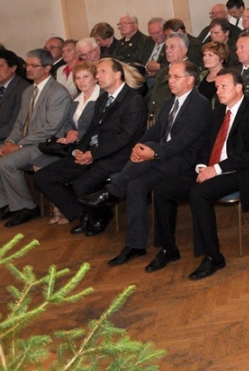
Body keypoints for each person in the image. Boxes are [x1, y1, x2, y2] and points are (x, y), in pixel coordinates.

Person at [79, 60, 213, 266]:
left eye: (176, 77)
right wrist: (139, 146)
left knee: (148, 152)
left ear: (190, 80)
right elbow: (155, 130)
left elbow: (184, 141)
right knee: (135, 185)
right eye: (169, 76)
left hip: (185, 160)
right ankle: (136, 245)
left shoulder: (200, 104)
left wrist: (153, 152)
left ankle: (111, 192)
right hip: (163, 158)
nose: (171, 81)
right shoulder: (169, 102)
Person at [148, 67, 249, 279]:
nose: (219, 91)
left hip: (242, 171)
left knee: (200, 194)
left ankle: (213, 256)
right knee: (162, 189)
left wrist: (216, 169)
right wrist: (201, 166)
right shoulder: (218, 111)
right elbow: (205, 144)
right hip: (212, 167)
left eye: (224, 87)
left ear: (239, 88)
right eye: (217, 87)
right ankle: (168, 249)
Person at [35, 58, 148, 237]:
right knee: (43, 177)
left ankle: (97, 217)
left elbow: (126, 138)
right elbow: (92, 129)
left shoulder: (133, 100)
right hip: (94, 152)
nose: (98, 76)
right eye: (97, 72)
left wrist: (93, 155)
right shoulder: (103, 98)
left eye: (103, 71)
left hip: (117, 156)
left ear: (118, 75)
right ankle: (87, 212)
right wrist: (79, 150)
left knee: (80, 186)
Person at [0, 48, 72, 226]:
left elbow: (51, 128)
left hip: (44, 144)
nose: (28, 69)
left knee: (7, 163)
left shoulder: (57, 92)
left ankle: (27, 207)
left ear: (47, 68)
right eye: (27, 65)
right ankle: (6, 204)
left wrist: (19, 145)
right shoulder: (28, 91)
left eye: (34, 65)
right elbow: (19, 122)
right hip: (25, 142)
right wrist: (10, 141)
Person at [197, 40, 230, 104]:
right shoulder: (202, 75)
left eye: (210, 55)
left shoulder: (227, 77)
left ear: (221, 58)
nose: (205, 58)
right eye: (204, 55)